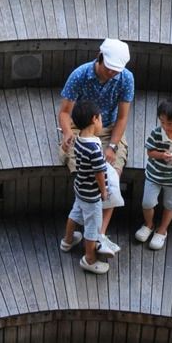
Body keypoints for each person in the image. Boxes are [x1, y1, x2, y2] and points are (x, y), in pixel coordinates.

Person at [58, 38, 134, 254]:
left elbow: (122, 118)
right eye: (110, 69)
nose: (112, 74)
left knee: (113, 178)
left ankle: (98, 233)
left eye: (116, 71)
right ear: (100, 57)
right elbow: (64, 112)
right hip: (79, 126)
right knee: (87, 173)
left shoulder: (126, 79)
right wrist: (67, 133)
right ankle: (92, 237)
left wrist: (112, 146)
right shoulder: (80, 74)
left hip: (108, 127)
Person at [135, 98, 172, 250]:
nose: (165, 127)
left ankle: (162, 230)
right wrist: (162, 155)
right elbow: (150, 151)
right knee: (147, 203)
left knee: (170, 205)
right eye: (162, 122)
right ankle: (148, 224)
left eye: (169, 123)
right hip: (154, 175)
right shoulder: (156, 133)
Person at [59, 100, 110, 274]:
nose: (102, 122)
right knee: (92, 226)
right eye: (101, 118)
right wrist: (103, 191)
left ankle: (67, 240)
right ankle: (90, 259)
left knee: (75, 214)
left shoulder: (80, 138)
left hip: (80, 188)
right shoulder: (94, 148)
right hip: (91, 194)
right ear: (94, 119)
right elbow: (99, 174)